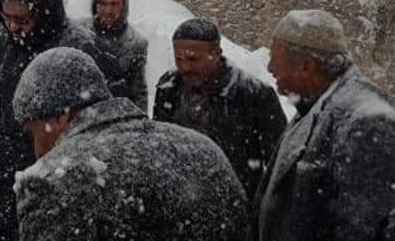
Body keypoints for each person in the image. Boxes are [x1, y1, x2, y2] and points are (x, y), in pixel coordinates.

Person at [13, 47, 249, 241]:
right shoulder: (203, 149)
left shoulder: (53, 181)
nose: (36, 150)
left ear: (60, 116)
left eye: (32, 133)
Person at [0, 0, 120, 241]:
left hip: (49, 187)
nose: (13, 27)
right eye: (7, 17)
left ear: (45, 12)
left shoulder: (77, 51)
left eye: (23, 20)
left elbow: (99, 134)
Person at [256, 9, 395, 241]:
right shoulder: (315, 106)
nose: (270, 68)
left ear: (306, 66)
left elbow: (364, 229)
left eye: (274, 56)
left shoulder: (367, 122)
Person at [153, 18, 286, 201]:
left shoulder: (254, 94)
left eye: (193, 59)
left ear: (216, 53)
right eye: (179, 58)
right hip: (180, 201)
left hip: (235, 203)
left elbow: (279, 165)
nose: (185, 67)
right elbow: (160, 146)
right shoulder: (168, 87)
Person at [81, 0, 148, 111]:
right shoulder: (79, 32)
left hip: (114, 112)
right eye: (103, 3)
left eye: (114, 4)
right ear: (95, 5)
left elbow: (138, 91)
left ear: (124, 6)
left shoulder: (136, 43)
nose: (108, 10)